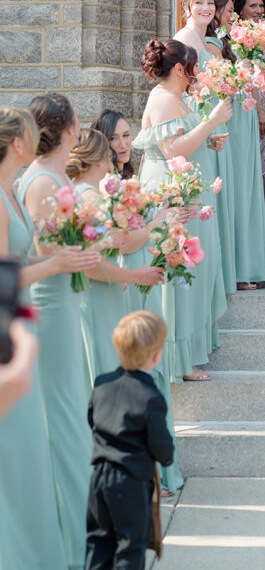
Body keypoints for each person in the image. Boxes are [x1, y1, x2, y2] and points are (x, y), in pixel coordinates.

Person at [0, 105, 99, 570]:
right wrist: (61, 262)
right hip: (30, 315)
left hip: (44, 310)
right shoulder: (29, 186)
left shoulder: (16, 191)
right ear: (18, 142)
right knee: (50, 423)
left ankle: (70, 538)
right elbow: (16, 268)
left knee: (61, 418)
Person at [135, 38, 229, 381]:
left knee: (197, 271)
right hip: (172, 197)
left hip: (189, 193)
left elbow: (186, 141)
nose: (198, 72)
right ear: (179, 69)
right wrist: (211, 122)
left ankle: (188, 351)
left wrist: (208, 138)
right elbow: (173, 152)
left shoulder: (176, 99)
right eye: (193, 66)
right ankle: (175, 360)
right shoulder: (162, 100)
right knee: (177, 277)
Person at [68, 128, 165, 389]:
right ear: (100, 160)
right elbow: (88, 262)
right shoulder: (91, 200)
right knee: (103, 369)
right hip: (96, 295)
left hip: (97, 291)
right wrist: (134, 275)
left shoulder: (75, 192)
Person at [84, 310, 175, 570]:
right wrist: (166, 457)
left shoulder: (102, 384)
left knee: (98, 542)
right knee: (130, 544)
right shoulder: (150, 396)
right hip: (131, 480)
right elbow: (159, 442)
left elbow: (93, 420)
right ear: (156, 356)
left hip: (99, 478)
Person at [176, 0, 237, 295]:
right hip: (195, 125)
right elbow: (182, 91)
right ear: (187, 7)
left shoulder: (203, 38)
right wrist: (202, 128)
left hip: (209, 122)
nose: (205, 8)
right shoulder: (185, 39)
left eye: (210, 3)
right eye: (198, 3)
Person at [230, 0, 265, 289]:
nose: (258, 10)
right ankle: (250, 254)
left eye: (261, 5)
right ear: (241, 10)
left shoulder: (263, 33)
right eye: (253, 5)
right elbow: (245, 75)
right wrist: (258, 109)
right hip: (252, 109)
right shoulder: (238, 37)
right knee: (253, 176)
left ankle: (260, 247)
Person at [92, 109, 135, 178]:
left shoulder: (128, 174)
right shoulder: (100, 180)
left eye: (126, 135)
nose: (123, 145)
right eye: (113, 138)